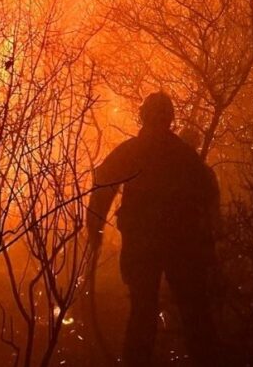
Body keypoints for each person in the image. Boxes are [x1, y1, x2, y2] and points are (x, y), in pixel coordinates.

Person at [87, 92, 220, 366]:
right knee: (192, 311)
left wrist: (95, 229)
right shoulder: (183, 155)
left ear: (143, 116)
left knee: (144, 313)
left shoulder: (133, 151)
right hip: (179, 245)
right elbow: (207, 193)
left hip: (147, 245)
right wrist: (208, 241)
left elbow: (103, 183)